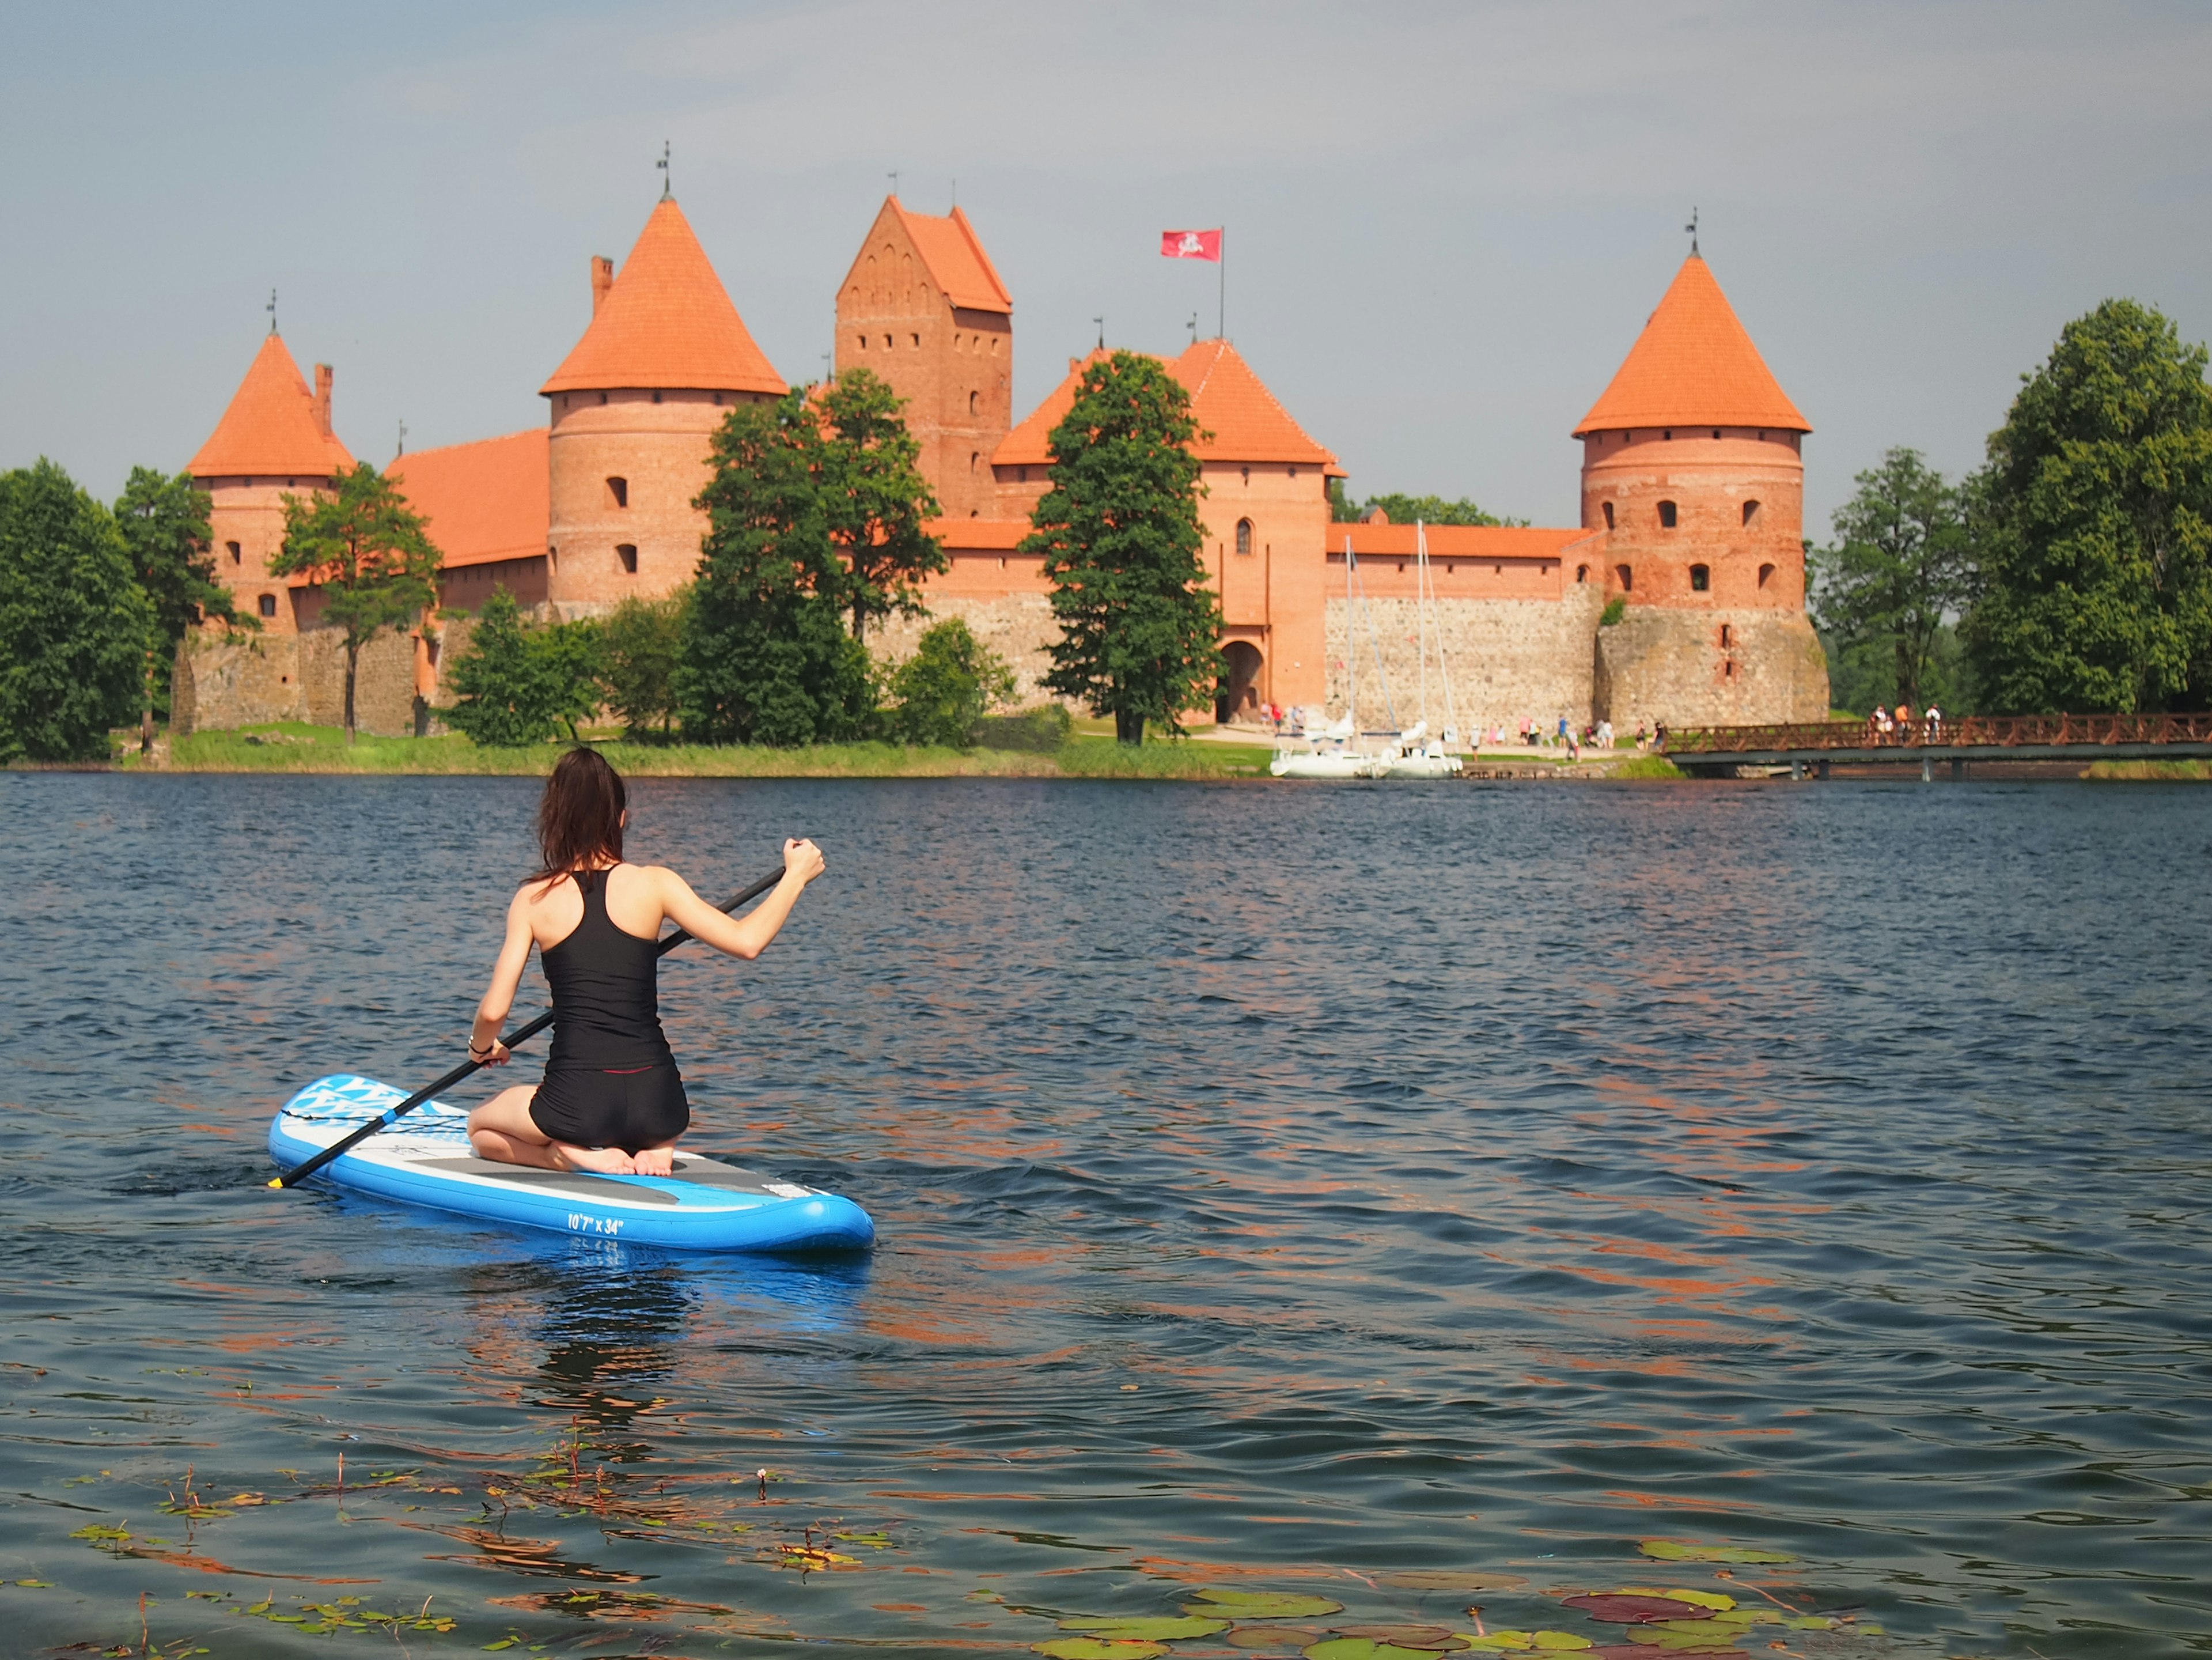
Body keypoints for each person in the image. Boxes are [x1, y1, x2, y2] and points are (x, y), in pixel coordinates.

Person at [465, 748, 825, 1177]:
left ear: (554, 819)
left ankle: (564, 1156)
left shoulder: (534, 899)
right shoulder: (656, 883)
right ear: (620, 818)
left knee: (479, 1127)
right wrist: (795, 877)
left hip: (580, 1104)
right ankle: (658, 1148)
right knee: (638, 1100)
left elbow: (493, 1012)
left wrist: (482, 1048)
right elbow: (747, 941)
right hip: (661, 1102)